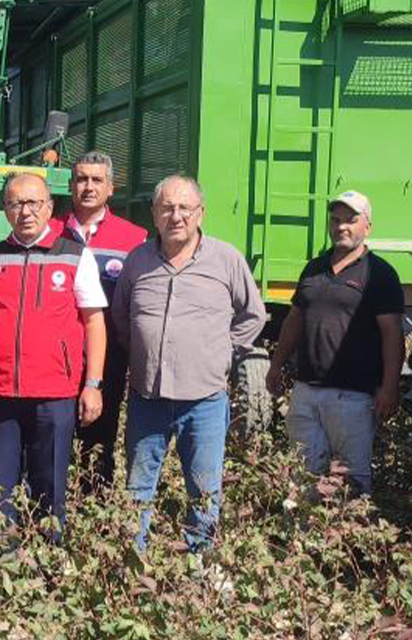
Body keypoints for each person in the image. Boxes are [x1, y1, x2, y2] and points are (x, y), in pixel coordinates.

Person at [112, 175, 266, 553]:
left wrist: (222, 353)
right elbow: (121, 317)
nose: (175, 216)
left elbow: (254, 315)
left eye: (184, 208)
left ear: (201, 213)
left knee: (203, 488)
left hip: (205, 400)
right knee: (138, 487)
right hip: (148, 398)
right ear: (154, 214)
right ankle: (135, 562)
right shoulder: (137, 261)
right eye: (167, 207)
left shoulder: (225, 259)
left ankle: (200, 565)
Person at [0, 173, 107, 538]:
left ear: (50, 208)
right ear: (5, 210)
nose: (25, 211)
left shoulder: (74, 255)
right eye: (16, 203)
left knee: (49, 485)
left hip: (54, 393)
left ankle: (48, 565)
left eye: (34, 203)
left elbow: (95, 322)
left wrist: (94, 383)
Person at [266, 190, 403, 496]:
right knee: (301, 476)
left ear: (367, 226)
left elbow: (392, 336)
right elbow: (293, 321)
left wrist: (389, 387)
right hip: (305, 392)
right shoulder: (314, 268)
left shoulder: (380, 274)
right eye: (336, 220)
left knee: (351, 481)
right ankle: (301, 540)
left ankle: (350, 541)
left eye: (351, 220)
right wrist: (276, 365)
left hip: (352, 397)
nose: (342, 226)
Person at [58, 152, 147, 490]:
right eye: (82, 179)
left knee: (98, 443)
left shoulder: (134, 238)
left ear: (111, 188)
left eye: (97, 180)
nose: (89, 187)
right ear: (71, 186)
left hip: (108, 361)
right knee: (52, 440)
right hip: (57, 360)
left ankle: (94, 509)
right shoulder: (51, 232)